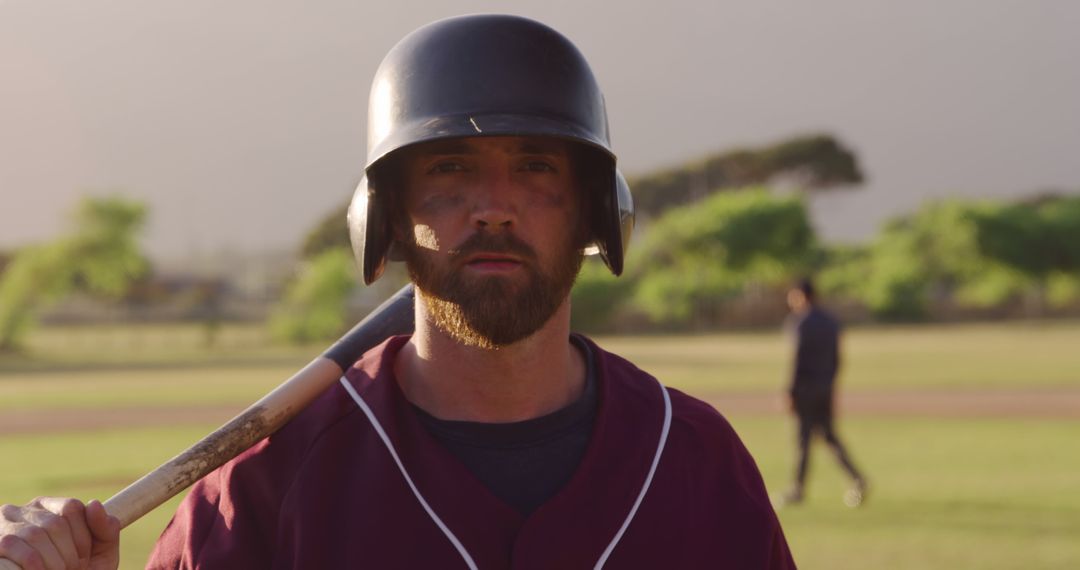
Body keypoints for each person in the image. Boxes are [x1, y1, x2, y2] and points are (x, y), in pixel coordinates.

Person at [0, 15, 795, 569]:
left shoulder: (693, 460)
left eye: (537, 167)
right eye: (449, 169)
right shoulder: (263, 487)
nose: (494, 204)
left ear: (593, 211)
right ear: (387, 214)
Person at [780, 278, 866, 508]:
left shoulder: (800, 322)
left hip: (806, 388)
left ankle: (797, 489)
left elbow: (798, 360)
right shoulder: (830, 321)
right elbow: (838, 359)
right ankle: (857, 479)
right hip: (825, 388)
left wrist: (791, 391)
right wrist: (830, 384)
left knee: (803, 440)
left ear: (800, 295)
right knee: (829, 436)